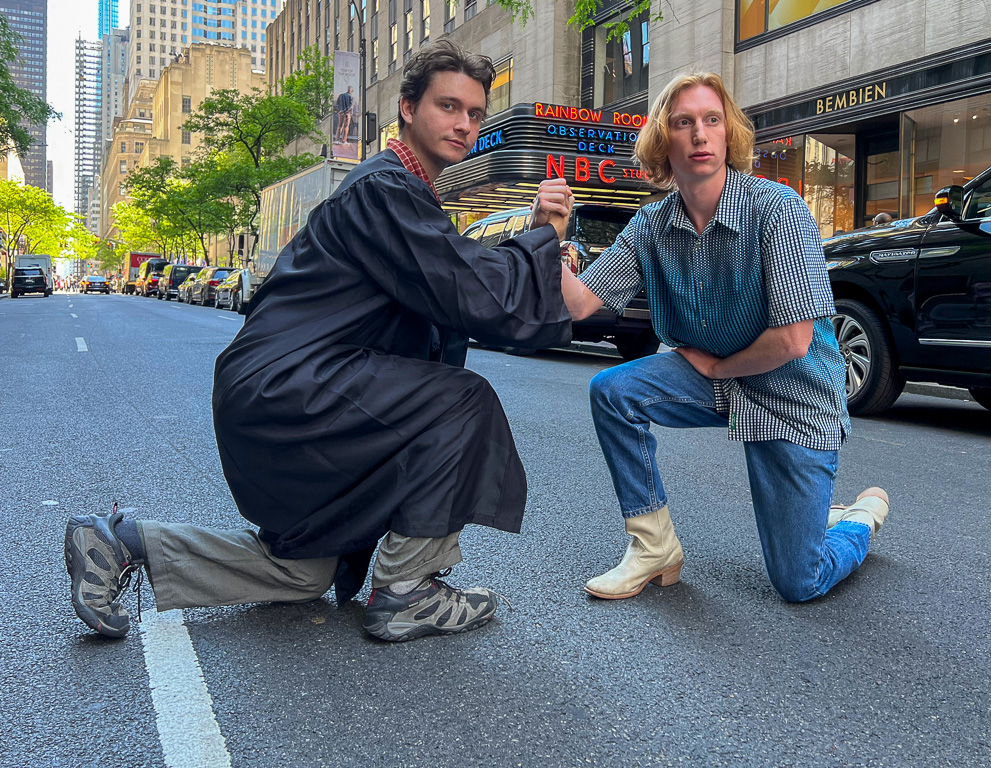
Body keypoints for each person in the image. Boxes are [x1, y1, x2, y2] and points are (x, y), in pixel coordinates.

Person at [65, 40, 575, 643]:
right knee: (463, 401)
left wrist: (555, 255)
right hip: (290, 389)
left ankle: (122, 543)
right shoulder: (384, 190)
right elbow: (473, 294)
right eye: (448, 106)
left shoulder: (402, 195)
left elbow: (452, 288)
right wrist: (539, 241)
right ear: (407, 109)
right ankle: (409, 589)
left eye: (474, 113)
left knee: (305, 570)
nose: (464, 123)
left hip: (282, 394)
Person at [559, 72, 890, 603]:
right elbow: (580, 304)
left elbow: (793, 340)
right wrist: (550, 235)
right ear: (663, 141)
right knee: (613, 392)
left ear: (729, 134)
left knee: (798, 580)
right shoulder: (651, 226)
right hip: (712, 379)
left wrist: (714, 367)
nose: (699, 135)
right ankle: (653, 547)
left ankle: (858, 519)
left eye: (711, 120)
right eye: (683, 122)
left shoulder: (777, 211)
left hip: (792, 396)